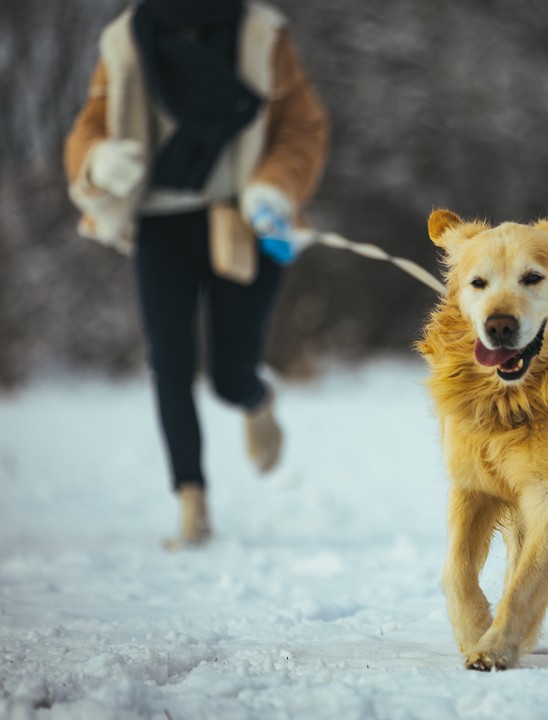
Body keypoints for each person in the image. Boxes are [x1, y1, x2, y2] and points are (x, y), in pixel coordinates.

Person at [63, 0, 329, 549]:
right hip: (160, 220)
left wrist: (274, 188)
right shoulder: (127, 37)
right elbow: (87, 128)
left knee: (229, 373)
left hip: (244, 216)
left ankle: (255, 398)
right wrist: (98, 158)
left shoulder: (261, 32)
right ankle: (192, 501)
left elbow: (302, 127)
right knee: (170, 359)